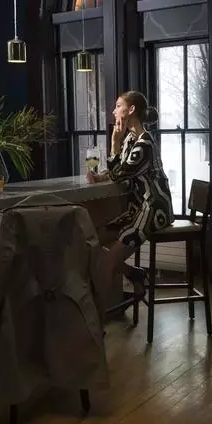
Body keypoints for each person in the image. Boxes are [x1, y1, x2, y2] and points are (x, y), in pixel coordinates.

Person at [87, 91, 174, 301]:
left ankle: (98, 319)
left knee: (106, 264)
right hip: (137, 208)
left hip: (153, 209)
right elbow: (121, 170)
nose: (114, 110)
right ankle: (133, 273)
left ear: (131, 109)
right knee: (92, 240)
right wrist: (101, 176)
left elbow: (120, 174)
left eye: (118, 105)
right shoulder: (131, 139)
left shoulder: (144, 144)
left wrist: (114, 143)